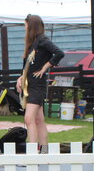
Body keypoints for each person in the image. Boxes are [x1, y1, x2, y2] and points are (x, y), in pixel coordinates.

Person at [16, 14, 64, 152]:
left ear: (31, 26)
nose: (24, 28)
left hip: (38, 85)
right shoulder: (33, 44)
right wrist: (21, 78)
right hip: (30, 84)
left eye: (26, 25)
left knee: (29, 118)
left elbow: (59, 53)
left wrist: (45, 67)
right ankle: (44, 151)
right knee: (39, 120)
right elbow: (28, 66)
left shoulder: (43, 41)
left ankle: (32, 152)